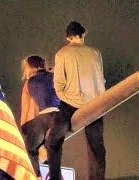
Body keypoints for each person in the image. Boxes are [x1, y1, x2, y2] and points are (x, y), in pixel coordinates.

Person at [46, 21, 106, 180]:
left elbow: (58, 84)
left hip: (70, 105)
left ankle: (55, 177)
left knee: (53, 141)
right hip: (95, 105)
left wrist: (67, 98)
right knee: (97, 148)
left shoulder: (62, 54)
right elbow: (101, 80)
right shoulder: (95, 53)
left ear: (68, 37)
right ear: (83, 34)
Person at [20, 55, 60, 179]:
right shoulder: (54, 75)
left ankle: (37, 175)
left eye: (25, 68)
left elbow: (26, 113)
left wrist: (24, 131)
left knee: (31, 147)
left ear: (30, 67)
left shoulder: (29, 84)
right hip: (60, 115)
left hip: (44, 117)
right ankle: (42, 150)